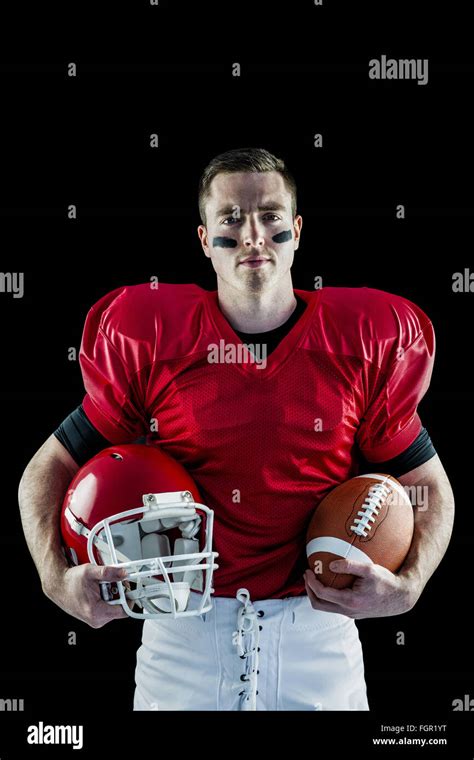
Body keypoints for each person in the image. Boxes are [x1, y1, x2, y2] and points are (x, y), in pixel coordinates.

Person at [18, 147, 454, 711]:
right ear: (205, 239)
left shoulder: (362, 343)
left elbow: (432, 489)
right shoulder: (153, 340)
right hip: (182, 637)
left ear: (296, 231)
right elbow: (44, 469)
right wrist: (55, 580)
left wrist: (409, 587)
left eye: (271, 216)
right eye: (231, 218)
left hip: (318, 638)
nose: (253, 234)